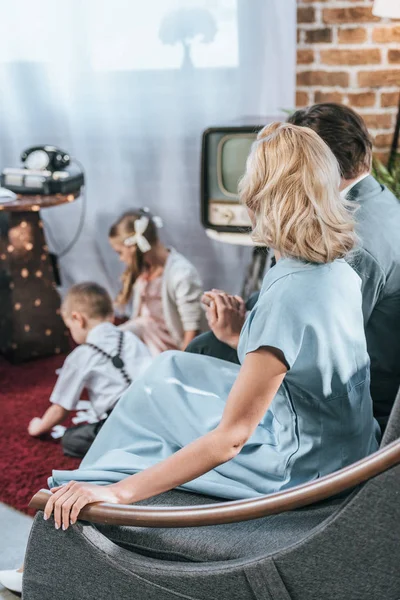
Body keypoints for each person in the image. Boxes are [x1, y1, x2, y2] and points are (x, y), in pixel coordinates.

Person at [0, 122, 381, 595]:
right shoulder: (339, 267)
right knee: (166, 367)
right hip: (346, 442)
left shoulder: (288, 292)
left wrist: (121, 494)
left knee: (153, 409)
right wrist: (235, 334)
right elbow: (308, 361)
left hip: (301, 469)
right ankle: (104, 468)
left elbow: (231, 440)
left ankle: (92, 498)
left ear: (262, 193)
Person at [188, 103, 400, 432]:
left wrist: (236, 336)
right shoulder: (382, 202)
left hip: (357, 405)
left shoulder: (355, 242)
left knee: (201, 348)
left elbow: (321, 348)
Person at [27, 282, 152, 458]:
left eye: (69, 326)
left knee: (71, 439)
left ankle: (127, 448)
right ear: (110, 315)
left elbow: (60, 408)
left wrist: (38, 427)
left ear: (78, 318)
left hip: (123, 422)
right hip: (156, 411)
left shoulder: (81, 355)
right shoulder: (130, 338)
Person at [108, 208, 204, 355]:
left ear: (133, 247)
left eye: (119, 252)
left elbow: (192, 328)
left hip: (169, 344)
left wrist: (181, 361)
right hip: (146, 334)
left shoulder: (182, 274)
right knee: (111, 340)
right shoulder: (145, 269)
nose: (120, 259)